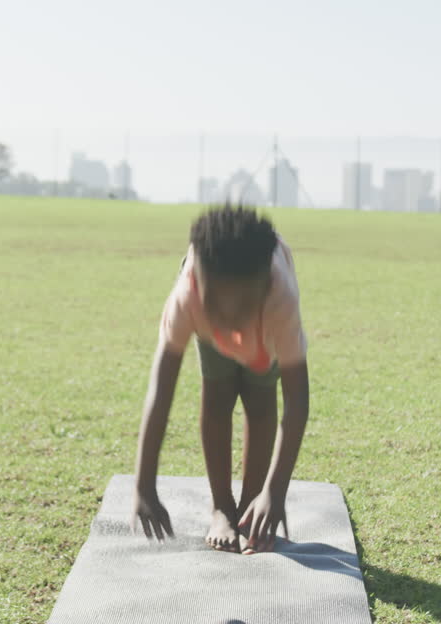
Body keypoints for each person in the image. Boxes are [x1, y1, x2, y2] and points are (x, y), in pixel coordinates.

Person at [132, 204, 310, 554]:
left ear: (263, 286)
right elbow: (161, 389)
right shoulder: (189, 299)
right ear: (200, 282)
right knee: (217, 396)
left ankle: (250, 507)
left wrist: (274, 493)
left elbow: (296, 401)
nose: (230, 319)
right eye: (219, 305)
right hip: (205, 323)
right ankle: (221, 507)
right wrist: (144, 484)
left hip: (264, 332)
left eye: (241, 305)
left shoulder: (280, 300)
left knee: (261, 401)